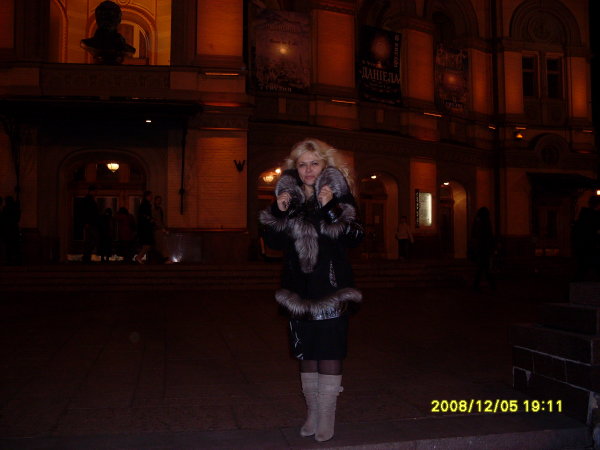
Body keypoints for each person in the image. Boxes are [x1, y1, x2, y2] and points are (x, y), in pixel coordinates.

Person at [259, 138, 364, 442]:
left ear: (325, 165)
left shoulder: (339, 195)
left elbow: (355, 238)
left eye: (314, 163)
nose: (308, 170)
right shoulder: (288, 197)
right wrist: (278, 212)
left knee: (329, 352)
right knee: (306, 353)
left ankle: (327, 415)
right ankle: (313, 413)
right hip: (298, 291)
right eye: (302, 164)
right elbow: (273, 243)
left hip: (331, 289)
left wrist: (330, 208)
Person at [572, 196, 600, 281]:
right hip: (591, 247)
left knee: (582, 269)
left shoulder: (583, 217)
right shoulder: (595, 217)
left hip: (583, 248)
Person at [470, 206, 496, 291]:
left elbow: (474, 234)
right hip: (485, 249)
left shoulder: (478, 222)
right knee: (484, 269)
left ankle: (477, 285)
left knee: (482, 268)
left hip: (481, 249)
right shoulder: (486, 223)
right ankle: (490, 285)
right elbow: (489, 236)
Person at [134, 190, 154, 264]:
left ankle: (139, 257)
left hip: (145, 228)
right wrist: (150, 219)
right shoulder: (145, 205)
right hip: (145, 229)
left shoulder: (145, 205)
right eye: (150, 196)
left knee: (147, 245)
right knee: (147, 245)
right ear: (147, 196)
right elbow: (144, 216)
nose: (151, 197)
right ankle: (139, 257)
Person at [81, 185, 99, 263]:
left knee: (90, 240)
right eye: (95, 191)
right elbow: (87, 212)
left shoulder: (89, 199)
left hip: (91, 223)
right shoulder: (88, 200)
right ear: (91, 191)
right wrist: (87, 222)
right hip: (91, 223)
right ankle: (86, 256)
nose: (96, 193)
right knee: (92, 240)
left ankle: (86, 256)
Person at [152, 195, 172, 264]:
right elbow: (156, 221)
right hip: (157, 229)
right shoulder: (154, 210)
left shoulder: (159, 209)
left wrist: (164, 227)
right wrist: (162, 228)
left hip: (159, 229)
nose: (159, 202)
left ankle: (163, 259)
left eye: (160, 200)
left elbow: (160, 220)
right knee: (161, 245)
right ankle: (165, 258)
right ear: (155, 201)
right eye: (158, 200)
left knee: (161, 245)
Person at [3, 196, 21, 265]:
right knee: (15, 246)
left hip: (8, 229)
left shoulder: (6, 209)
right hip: (13, 229)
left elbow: (3, 219)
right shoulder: (15, 209)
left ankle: (9, 260)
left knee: (9, 246)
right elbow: (17, 218)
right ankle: (16, 259)